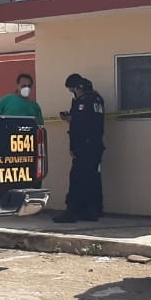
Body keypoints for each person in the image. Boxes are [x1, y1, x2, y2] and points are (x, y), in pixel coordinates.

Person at [55, 73, 105, 223]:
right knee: (92, 178)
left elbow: (80, 123)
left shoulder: (84, 101)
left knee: (77, 178)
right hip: (96, 146)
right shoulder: (98, 99)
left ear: (79, 88)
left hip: (85, 147)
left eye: (73, 90)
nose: (73, 93)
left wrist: (68, 118)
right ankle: (92, 210)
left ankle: (72, 212)